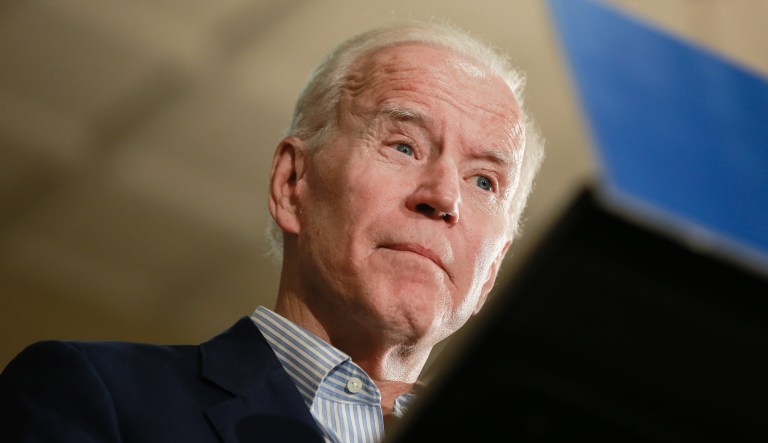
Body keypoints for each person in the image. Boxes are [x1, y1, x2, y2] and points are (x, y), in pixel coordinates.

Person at [0, 19, 544, 443]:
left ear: (491, 269)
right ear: (292, 183)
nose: (444, 197)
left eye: (484, 182)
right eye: (404, 146)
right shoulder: (100, 394)